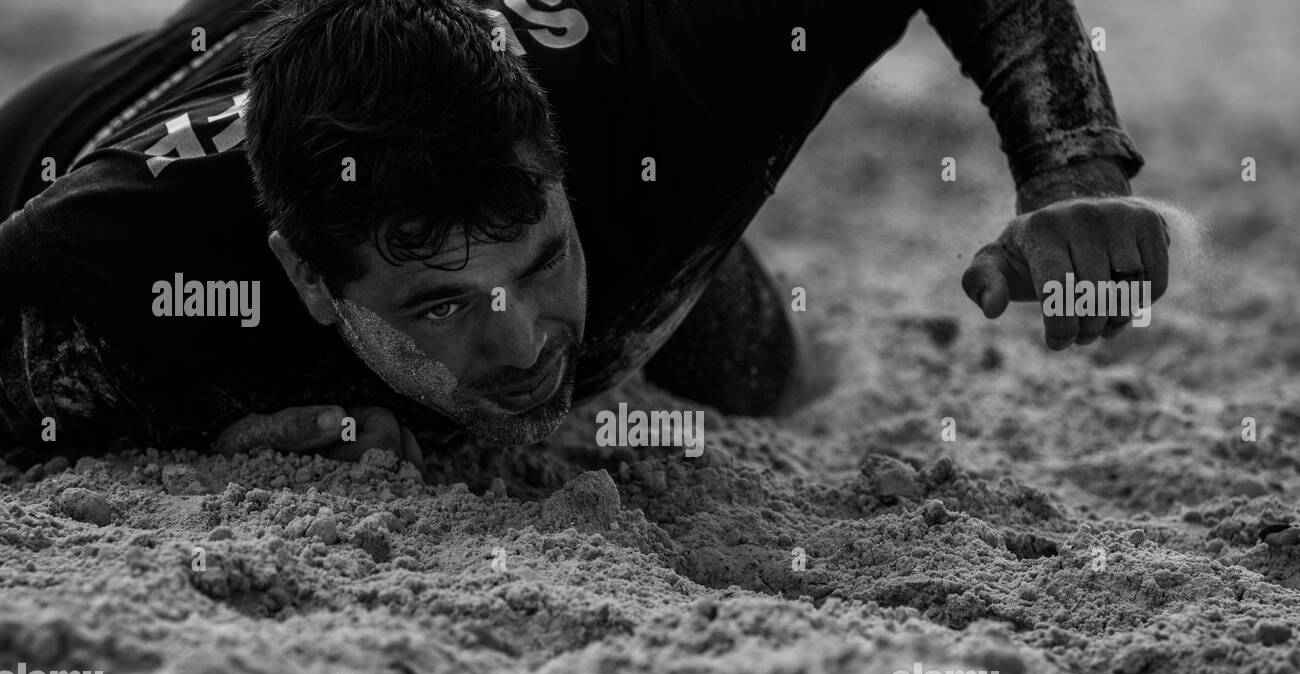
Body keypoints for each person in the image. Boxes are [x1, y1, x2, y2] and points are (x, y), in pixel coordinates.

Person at [0, 0, 1169, 472]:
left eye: (537, 263)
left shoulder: (678, 91)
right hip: (120, 104)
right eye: (437, 307)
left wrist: (1065, 165)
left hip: (556, 108)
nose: (518, 348)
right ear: (309, 277)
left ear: (557, 171)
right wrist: (194, 421)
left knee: (762, 373)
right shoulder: (150, 237)